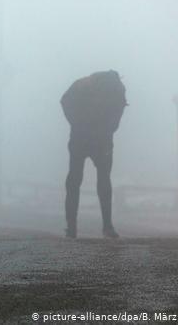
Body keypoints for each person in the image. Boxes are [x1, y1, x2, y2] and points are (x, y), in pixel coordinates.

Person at [60, 70, 127, 239]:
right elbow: (119, 110)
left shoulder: (81, 84)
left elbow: (64, 101)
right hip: (102, 140)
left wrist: (76, 123)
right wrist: (110, 128)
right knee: (104, 181)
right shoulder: (117, 88)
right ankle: (107, 227)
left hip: (80, 138)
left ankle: (71, 227)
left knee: (74, 180)